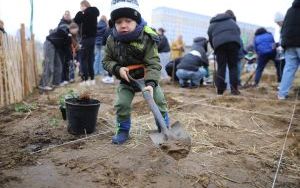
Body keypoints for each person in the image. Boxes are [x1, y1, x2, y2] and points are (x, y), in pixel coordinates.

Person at [103, 0, 169, 145]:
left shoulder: (146, 37)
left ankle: (164, 127)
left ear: (136, 21)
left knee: (159, 101)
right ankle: (123, 130)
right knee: (121, 104)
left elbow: (153, 62)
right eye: (119, 21)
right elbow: (106, 61)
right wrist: (117, 69)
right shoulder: (111, 40)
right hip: (127, 80)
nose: (123, 25)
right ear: (114, 23)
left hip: (147, 78)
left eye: (128, 20)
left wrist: (151, 83)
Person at [208, 10, 241, 95]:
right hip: (234, 44)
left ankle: (220, 90)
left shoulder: (212, 25)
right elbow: (238, 33)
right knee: (233, 66)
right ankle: (234, 89)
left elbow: (210, 38)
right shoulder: (232, 22)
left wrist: (214, 48)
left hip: (220, 45)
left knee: (221, 67)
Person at [39, 23, 79, 91]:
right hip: (50, 43)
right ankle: (43, 84)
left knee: (59, 65)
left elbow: (67, 49)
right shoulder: (64, 29)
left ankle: (55, 83)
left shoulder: (69, 37)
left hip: (56, 47)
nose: (76, 32)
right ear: (72, 28)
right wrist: (67, 33)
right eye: (76, 30)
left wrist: (72, 59)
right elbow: (60, 30)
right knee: (49, 65)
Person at [278, 0, 300, 100]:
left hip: (289, 44)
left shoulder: (290, 10)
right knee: (289, 68)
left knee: (288, 69)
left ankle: (282, 94)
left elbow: (283, 28)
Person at [74, 0, 99, 86]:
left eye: (81, 6)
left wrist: (80, 12)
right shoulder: (94, 12)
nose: (80, 8)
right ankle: (92, 79)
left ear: (84, 5)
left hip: (86, 38)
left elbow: (76, 20)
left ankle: (85, 80)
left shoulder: (84, 13)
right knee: (90, 58)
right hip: (93, 39)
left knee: (83, 59)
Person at [102, 19, 115, 84]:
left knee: (109, 62)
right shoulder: (116, 30)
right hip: (116, 49)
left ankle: (110, 77)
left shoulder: (107, 30)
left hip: (108, 49)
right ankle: (110, 76)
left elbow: (103, 40)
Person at [274, 12, 286, 85]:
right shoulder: (281, 29)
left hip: (284, 49)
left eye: (278, 22)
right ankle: (281, 82)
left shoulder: (286, 27)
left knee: (283, 66)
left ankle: (282, 83)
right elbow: (281, 40)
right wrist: (277, 44)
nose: (278, 24)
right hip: (281, 50)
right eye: (277, 23)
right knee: (280, 66)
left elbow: (284, 40)